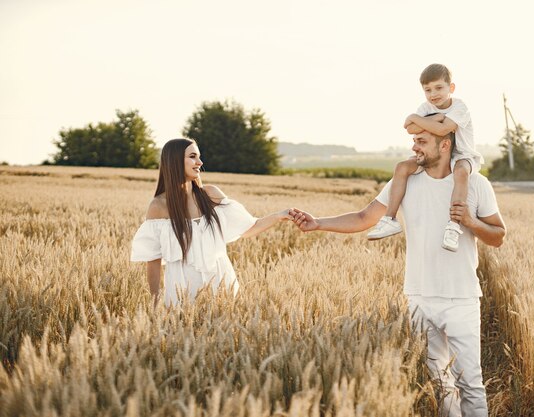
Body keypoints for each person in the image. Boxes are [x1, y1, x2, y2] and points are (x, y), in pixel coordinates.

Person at [290, 129, 506, 417]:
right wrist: (317, 224)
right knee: (439, 383)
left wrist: (469, 221)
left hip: (462, 298)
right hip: (418, 296)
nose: (413, 146)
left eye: (421, 141)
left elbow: (498, 235)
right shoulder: (403, 182)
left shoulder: (476, 184)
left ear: (444, 145)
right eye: (414, 140)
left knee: (470, 383)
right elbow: (364, 217)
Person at [131, 138, 292, 307]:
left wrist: (280, 216)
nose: (199, 162)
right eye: (193, 156)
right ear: (175, 160)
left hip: (222, 287)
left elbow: (248, 228)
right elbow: (153, 260)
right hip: (182, 292)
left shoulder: (210, 194)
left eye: (199, 156)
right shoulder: (159, 206)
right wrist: (155, 302)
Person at [367, 64, 484, 253]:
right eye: (427, 90)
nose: (433, 94)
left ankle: (453, 226)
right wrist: (434, 117)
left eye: (439, 88)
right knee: (402, 167)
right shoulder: (425, 107)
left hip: (461, 154)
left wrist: (420, 119)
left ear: (451, 88)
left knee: (461, 172)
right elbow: (410, 128)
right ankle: (390, 219)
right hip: (434, 154)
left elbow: (442, 130)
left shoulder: (460, 107)